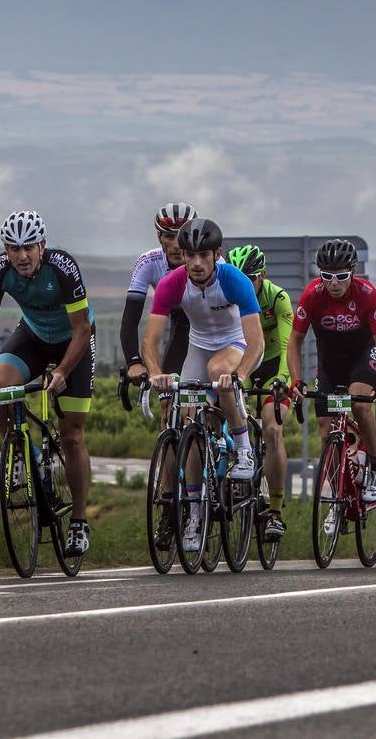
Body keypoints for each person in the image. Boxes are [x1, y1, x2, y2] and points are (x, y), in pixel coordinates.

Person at [0, 211, 96, 557]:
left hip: (73, 340)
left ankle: (78, 522)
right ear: (6, 250)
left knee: (72, 435)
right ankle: (21, 452)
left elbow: (81, 330)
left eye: (29, 247)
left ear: (42, 245)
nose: (22, 256)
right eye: (14, 248)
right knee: (0, 386)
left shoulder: (63, 268)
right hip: (32, 334)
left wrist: (61, 371)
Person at [143, 219, 266, 553]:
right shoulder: (172, 283)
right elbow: (150, 341)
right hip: (197, 347)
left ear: (216, 254)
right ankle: (195, 512)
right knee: (188, 423)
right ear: (182, 255)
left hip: (234, 344)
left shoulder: (234, 280)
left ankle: (242, 449)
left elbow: (257, 343)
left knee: (219, 372)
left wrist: (239, 373)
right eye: (189, 255)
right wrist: (156, 373)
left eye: (203, 255)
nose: (196, 263)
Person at [287, 239, 376, 508]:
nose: (334, 283)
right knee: (325, 429)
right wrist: (296, 381)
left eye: (341, 276)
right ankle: (338, 492)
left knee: (359, 404)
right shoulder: (311, 295)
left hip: (362, 355)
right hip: (330, 362)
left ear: (353, 272)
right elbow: (294, 341)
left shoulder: (368, 294)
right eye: (327, 276)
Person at [228, 244, 295, 541]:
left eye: (250, 278)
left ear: (263, 276)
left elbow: (285, 346)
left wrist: (281, 379)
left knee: (272, 428)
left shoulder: (278, 298)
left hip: (272, 367)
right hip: (241, 361)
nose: (244, 284)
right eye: (238, 277)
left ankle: (276, 512)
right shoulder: (227, 296)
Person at [121, 203, 196, 405]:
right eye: (169, 236)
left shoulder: (211, 261)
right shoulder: (148, 262)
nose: (176, 244)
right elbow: (130, 320)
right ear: (159, 238)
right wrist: (134, 362)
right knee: (167, 402)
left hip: (213, 328)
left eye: (182, 236)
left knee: (215, 400)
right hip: (181, 326)